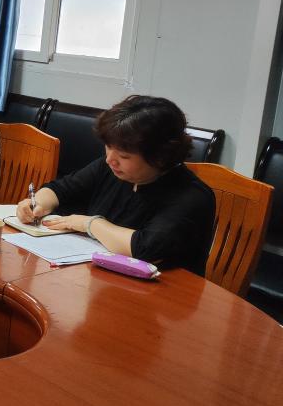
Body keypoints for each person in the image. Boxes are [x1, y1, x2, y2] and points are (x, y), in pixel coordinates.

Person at [15, 95, 215, 273]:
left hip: (163, 295)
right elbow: (61, 189)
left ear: (160, 157)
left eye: (124, 155)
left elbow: (145, 249)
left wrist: (89, 224)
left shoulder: (192, 196)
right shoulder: (112, 168)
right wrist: (37, 203)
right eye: (108, 147)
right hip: (100, 277)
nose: (110, 159)